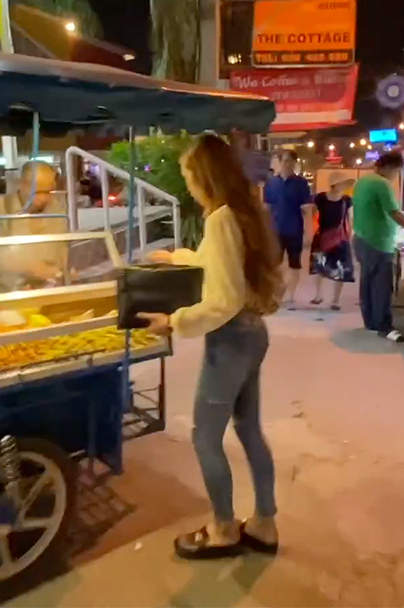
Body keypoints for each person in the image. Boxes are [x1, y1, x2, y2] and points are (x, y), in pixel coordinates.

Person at [137, 134, 284, 560]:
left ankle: (223, 528)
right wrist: (178, 258)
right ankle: (264, 524)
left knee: (205, 438)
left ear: (205, 176)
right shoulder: (243, 213)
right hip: (254, 334)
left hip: (232, 338)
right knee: (249, 431)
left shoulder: (220, 219)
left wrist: (174, 321)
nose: (188, 185)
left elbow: (223, 299)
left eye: (188, 176)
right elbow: (220, 267)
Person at [352, 152, 404, 343]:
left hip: (361, 238)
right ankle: (385, 326)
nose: (396, 174)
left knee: (367, 284)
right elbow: (394, 212)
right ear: (391, 167)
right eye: (398, 170)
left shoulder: (363, 181)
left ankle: (371, 323)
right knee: (382, 286)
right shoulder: (381, 184)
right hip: (378, 242)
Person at [263, 150, 314, 307]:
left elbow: (307, 209)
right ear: (279, 162)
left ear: (294, 163)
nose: (287, 164)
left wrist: (309, 231)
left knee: (294, 264)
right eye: (284, 161)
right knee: (274, 265)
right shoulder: (271, 183)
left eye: (290, 161)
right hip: (275, 229)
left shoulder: (301, 183)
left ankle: (291, 296)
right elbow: (266, 208)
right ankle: (277, 294)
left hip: (295, 229)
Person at [310, 179, 355, 310]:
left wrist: (350, 235)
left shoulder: (347, 200)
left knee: (341, 268)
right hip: (322, 235)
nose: (344, 186)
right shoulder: (321, 197)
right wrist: (311, 231)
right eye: (342, 183)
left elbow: (350, 218)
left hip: (340, 237)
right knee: (319, 265)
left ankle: (336, 300)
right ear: (333, 184)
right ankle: (318, 295)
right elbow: (314, 213)